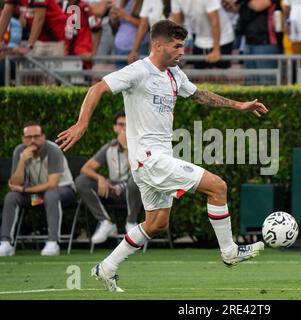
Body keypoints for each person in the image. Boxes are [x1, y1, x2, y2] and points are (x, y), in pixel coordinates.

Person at [56, 19, 267, 292]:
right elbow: (97, 88)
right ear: (158, 46)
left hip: (154, 160)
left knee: (156, 224)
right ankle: (229, 251)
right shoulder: (138, 71)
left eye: (184, 46)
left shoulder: (174, 74)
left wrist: (240, 106)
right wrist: (82, 123)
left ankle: (106, 267)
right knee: (218, 187)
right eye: (177, 46)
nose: (182, 51)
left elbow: (200, 95)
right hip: (149, 159)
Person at [0, 122, 76, 257]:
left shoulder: (53, 150)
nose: (32, 140)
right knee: (11, 197)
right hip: (34, 193)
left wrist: (24, 190)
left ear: (43, 136)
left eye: (36, 136)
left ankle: (53, 242)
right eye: (28, 137)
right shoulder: (19, 151)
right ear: (23, 139)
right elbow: (14, 184)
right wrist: (22, 161)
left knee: (50, 195)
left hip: (63, 190)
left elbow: (52, 184)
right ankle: (6, 243)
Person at [75, 110, 142, 244]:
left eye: (127, 125)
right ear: (115, 128)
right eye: (121, 125)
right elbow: (86, 168)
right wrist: (100, 178)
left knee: (135, 180)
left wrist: (126, 148)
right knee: (81, 180)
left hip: (133, 190)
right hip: (112, 188)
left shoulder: (140, 144)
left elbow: (138, 171)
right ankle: (105, 222)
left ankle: (131, 222)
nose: (124, 128)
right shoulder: (110, 147)